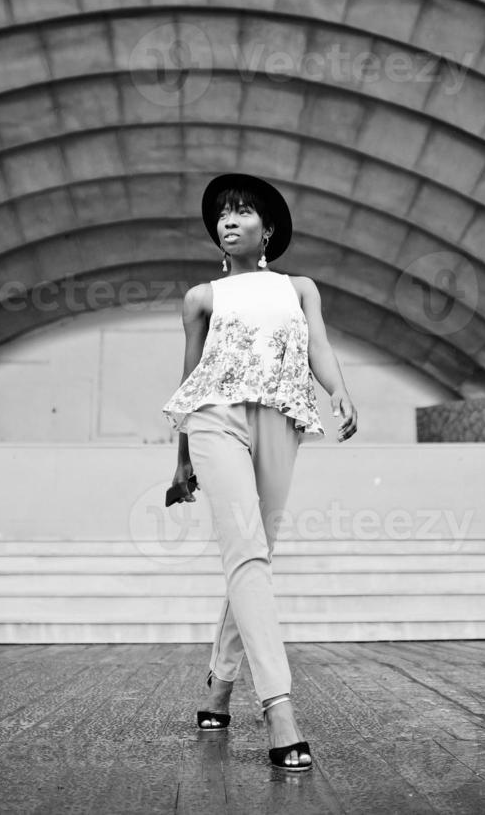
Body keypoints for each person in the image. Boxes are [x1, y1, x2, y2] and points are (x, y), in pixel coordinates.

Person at [161, 172, 358, 773]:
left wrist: (339, 391)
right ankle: (280, 707)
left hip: (282, 418)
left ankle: (220, 683)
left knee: (257, 553)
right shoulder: (202, 298)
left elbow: (316, 347)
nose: (228, 220)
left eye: (242, 212)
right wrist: (181, 456)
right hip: (215, 421)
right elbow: (190, 380)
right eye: (222, 214)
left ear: (266, 230)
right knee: (245, 554)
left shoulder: (300, 289)